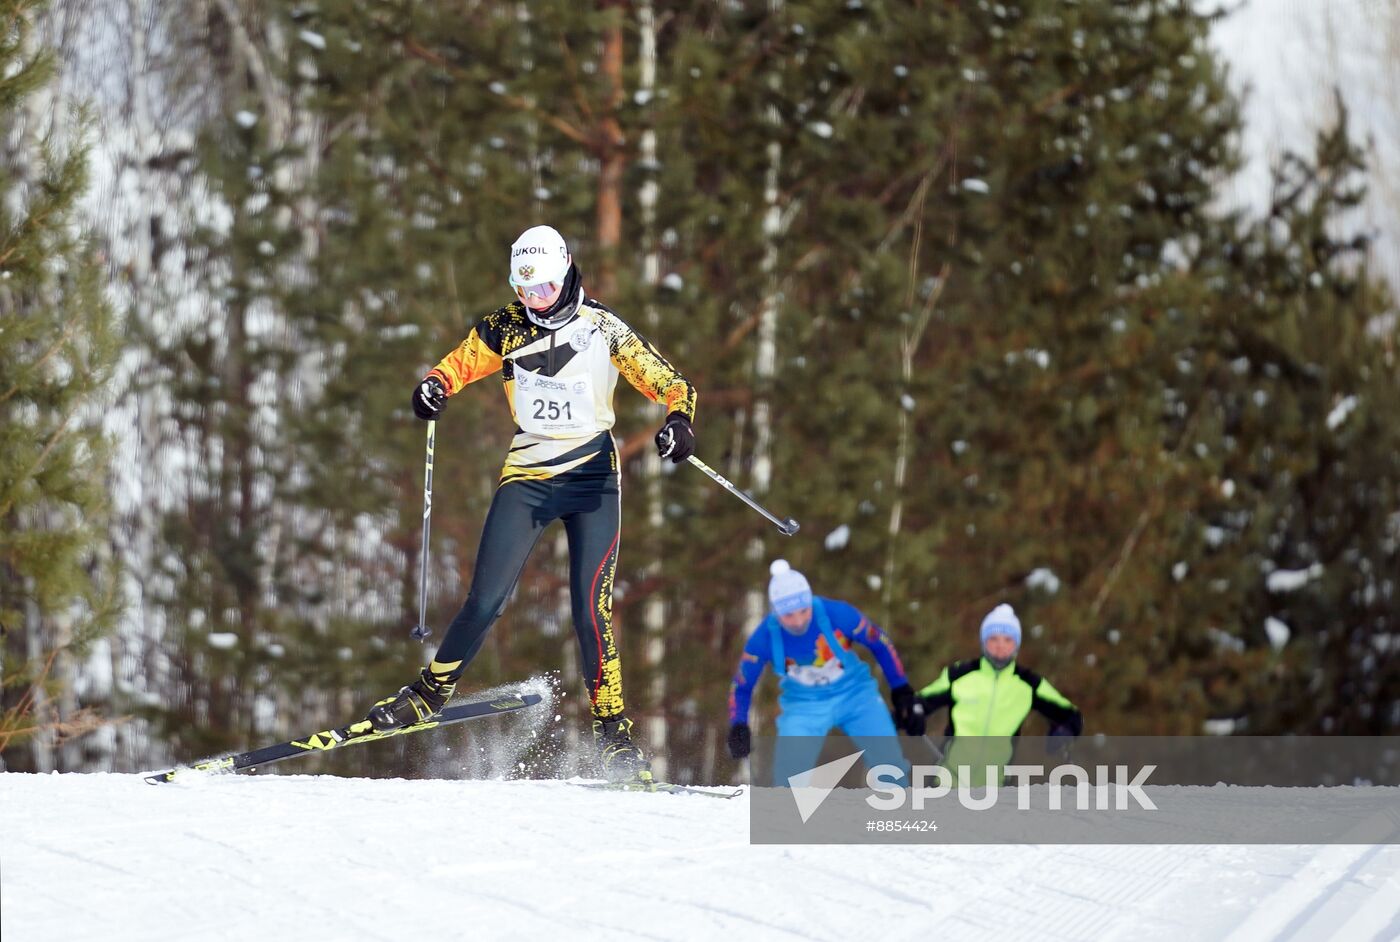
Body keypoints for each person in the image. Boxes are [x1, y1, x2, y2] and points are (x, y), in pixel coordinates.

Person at [366, 225, 697, 785]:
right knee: (486, 598)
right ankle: (428, 695)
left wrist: (678, 421)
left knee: (591, 612)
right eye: (526, 292)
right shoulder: (504, 327)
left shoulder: (603, 329)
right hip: (527, 475)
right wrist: (433, 387)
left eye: (544, 289)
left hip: (592, 479)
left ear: (566, 270)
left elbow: (672, 384)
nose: (536, 302)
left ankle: (614, 734)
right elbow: (454, 367)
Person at [726, 560, 921, 786]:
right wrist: (738, 723)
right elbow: (742, 685)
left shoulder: (838, 615)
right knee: (789, 780)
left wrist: (901, 688)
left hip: (857, 696)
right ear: (775, 612)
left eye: (803, 610)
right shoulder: (763, 638)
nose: (798, 621)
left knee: (890, 767)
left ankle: (900, 814)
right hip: (804, 706)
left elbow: (880, 642)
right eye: (788, 615)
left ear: (810, 601)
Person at [912, 603, 1083, 786]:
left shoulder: (1028, 684)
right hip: (946, 782)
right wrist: (914, 714)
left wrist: (1064, 731)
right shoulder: (959, 675)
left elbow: (1072, 716)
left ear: (1016, 644)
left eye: (1008, 640)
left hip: (996, 789)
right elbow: (917, 703)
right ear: (984, 641)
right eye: (993, 639)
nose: (1000, 646)